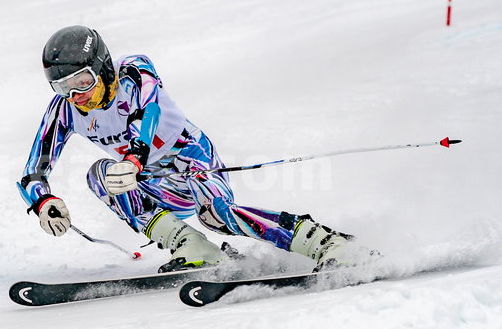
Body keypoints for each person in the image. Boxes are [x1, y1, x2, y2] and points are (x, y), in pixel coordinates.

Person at [18, 25, 375, 271]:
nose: (76, 95)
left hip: (191, 159)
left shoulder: (134, 72)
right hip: (151, 181)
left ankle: (328, 244)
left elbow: (150, 113)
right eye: (62, 87)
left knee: (218, 215)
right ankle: (191, 246)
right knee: (99, 175)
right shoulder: (66, 110)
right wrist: (43, 201)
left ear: (102, 67)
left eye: (82, 81)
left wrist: (136, 157)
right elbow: (34, 169)